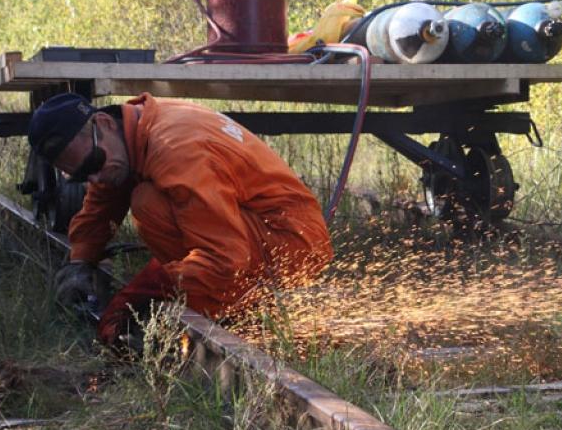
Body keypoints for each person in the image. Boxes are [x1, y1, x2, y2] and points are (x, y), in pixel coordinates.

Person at [28, 92, 334, 347]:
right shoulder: (133, 129)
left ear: (104, 122)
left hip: (291, 243)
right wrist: (80, 262)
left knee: (148, 203)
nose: (94, 178)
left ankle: (224, 306)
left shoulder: (176, 149)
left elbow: (227, 258)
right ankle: (208, 292)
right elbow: (101, 205)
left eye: (93, 163)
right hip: (261, 229)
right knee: (124, 185)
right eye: (83, 175)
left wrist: (149, 288)